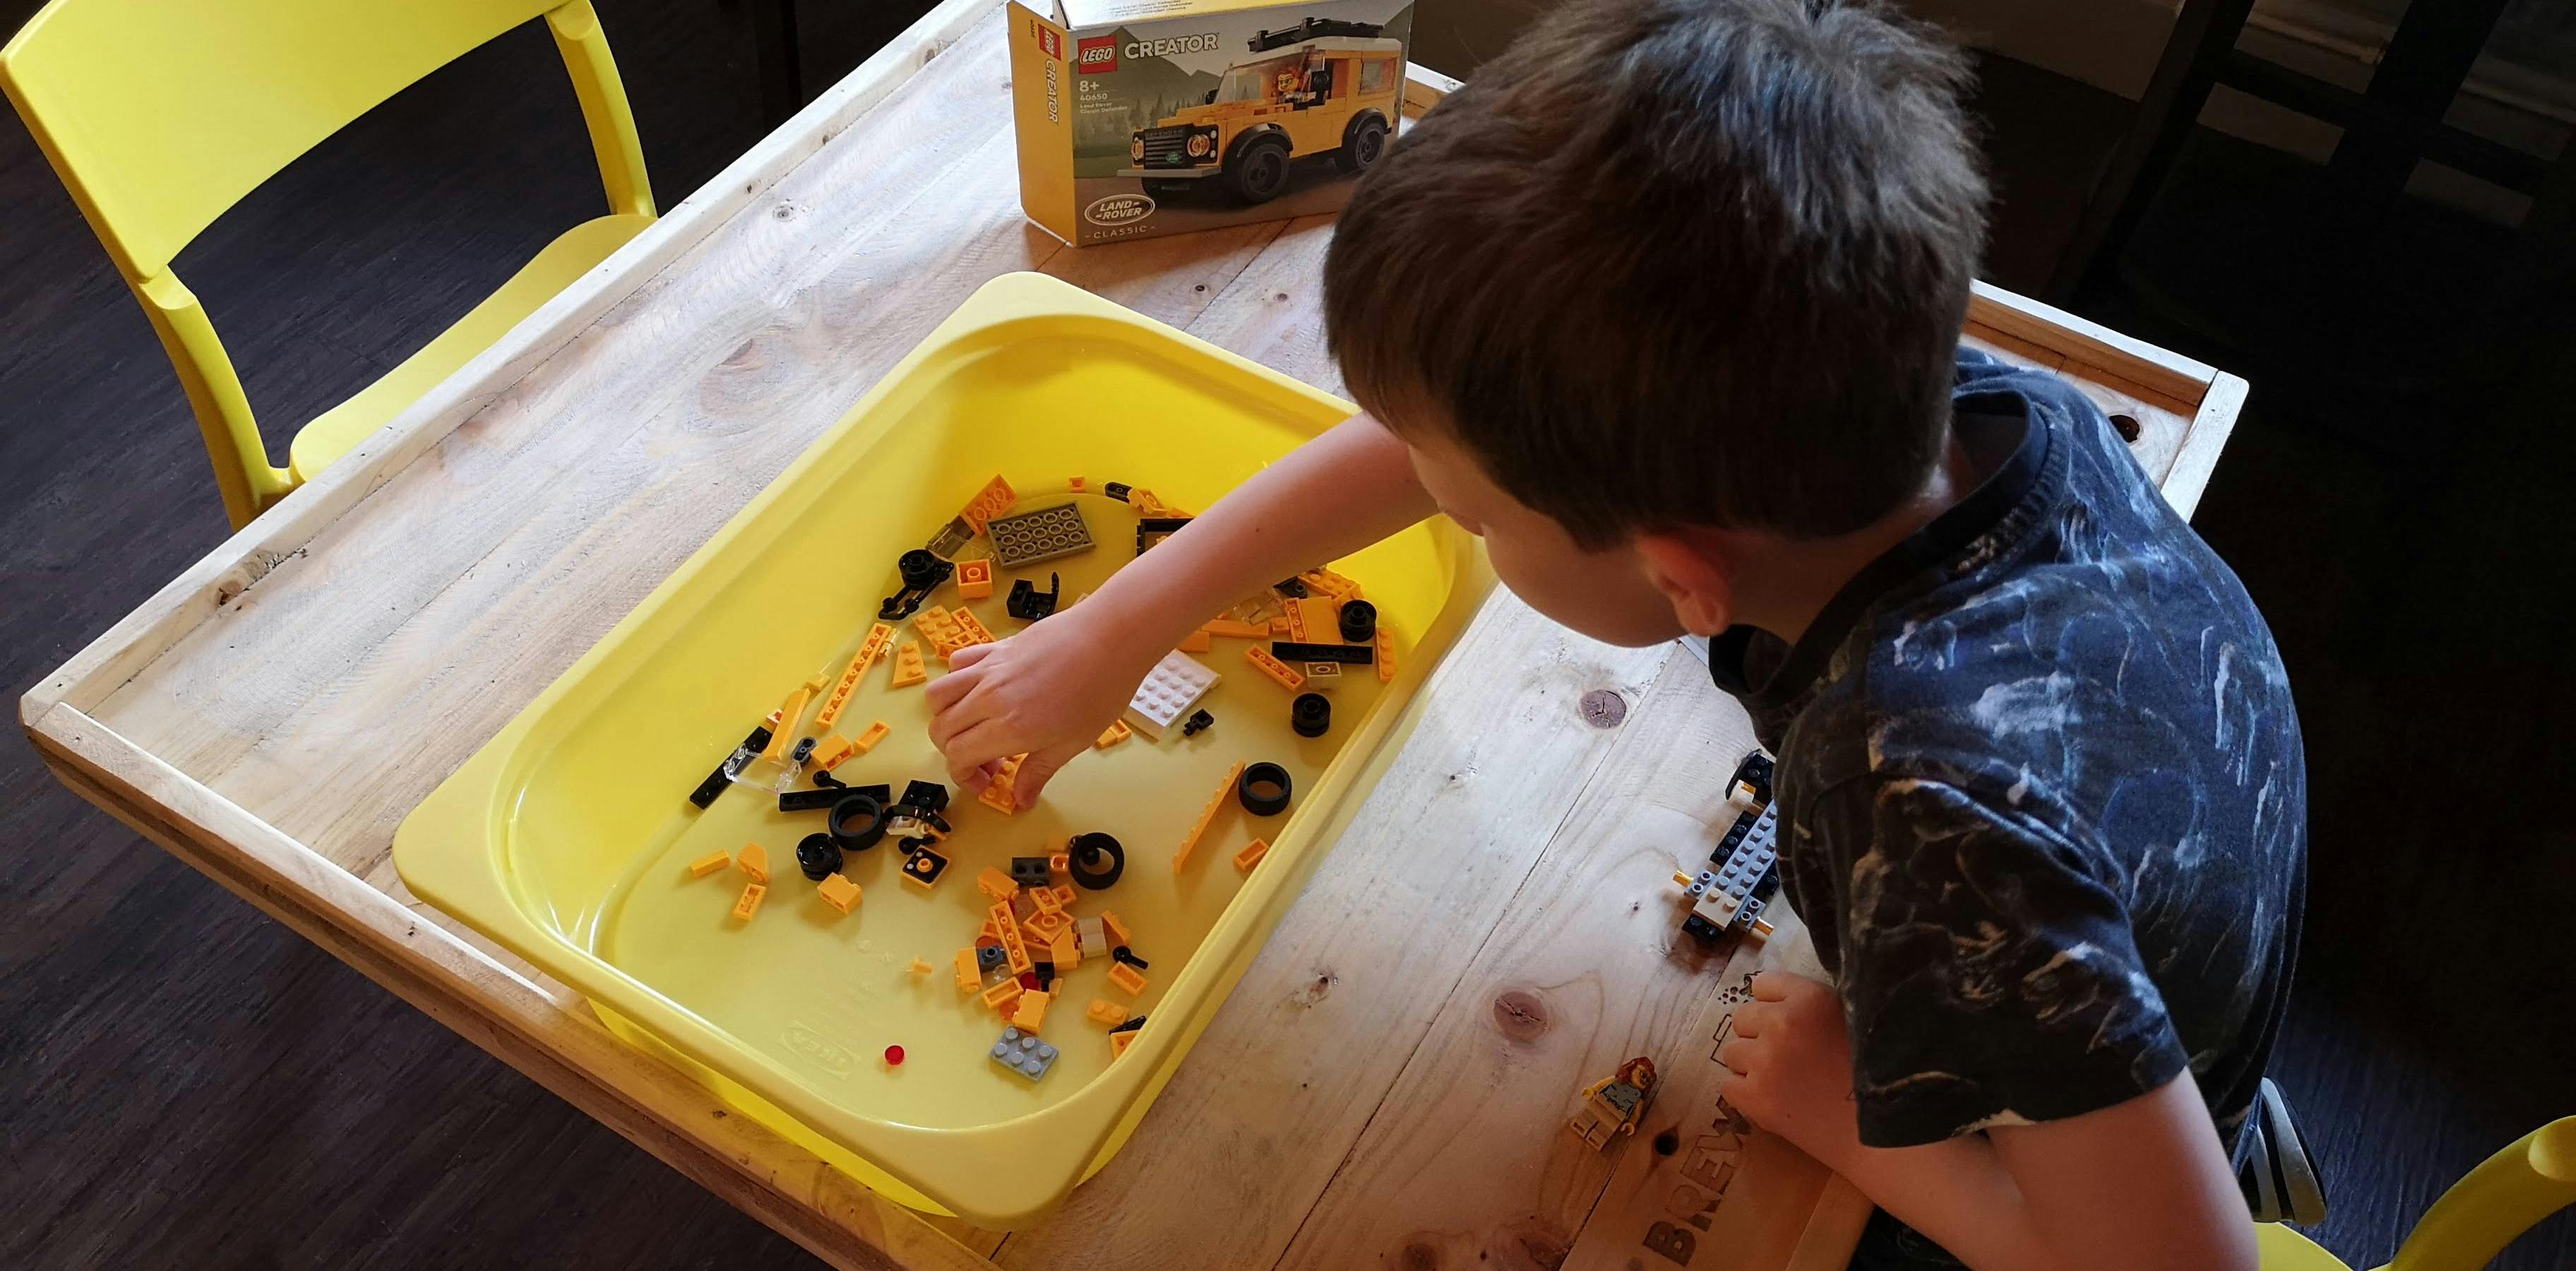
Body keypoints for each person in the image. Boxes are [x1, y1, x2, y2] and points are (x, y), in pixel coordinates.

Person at [928, 1, 2305, 1265]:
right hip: (2114, 990)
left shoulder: (1938, 814)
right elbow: (1437, 443)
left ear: (1683, 576)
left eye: (1473, 520)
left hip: (2071, 1188)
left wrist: (1852, 1125)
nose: (1448, 512)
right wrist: (1121, 622)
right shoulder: (1964, 402)